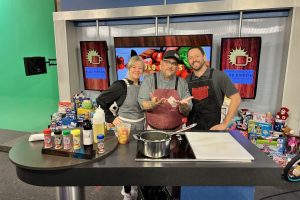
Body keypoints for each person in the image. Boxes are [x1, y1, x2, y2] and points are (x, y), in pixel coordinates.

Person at [96, 56, 145, 200]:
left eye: (140, 68)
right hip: (125, 129)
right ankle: (127, 192)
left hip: (141, 127)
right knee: (126, 162)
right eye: (134, 67)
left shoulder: (143, 86)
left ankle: (136, 187)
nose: (137, 70)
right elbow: (100, 101)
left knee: (138, 160)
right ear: (128, 68)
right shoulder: (120, 85)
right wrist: (112, 118)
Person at [186, 47, 241, 130]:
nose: (194, 60)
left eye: (197, 56)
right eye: (191, 58)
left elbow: (236, 98)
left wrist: (225, 123)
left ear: (204, 57)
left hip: (213, 130)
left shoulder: (218, 76)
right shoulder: (186, 79)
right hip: (191, 130)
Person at [138, 50, 193, 130]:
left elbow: (187, 109)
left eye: (174, 64)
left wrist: (184, 106)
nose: (170, 66)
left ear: (177, 67)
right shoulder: (149, 80)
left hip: (176, 131)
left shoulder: (182, 83)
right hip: (152, 131)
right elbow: (142, 104)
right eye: (167, 62)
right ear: (161, 63)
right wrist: (153, 104)